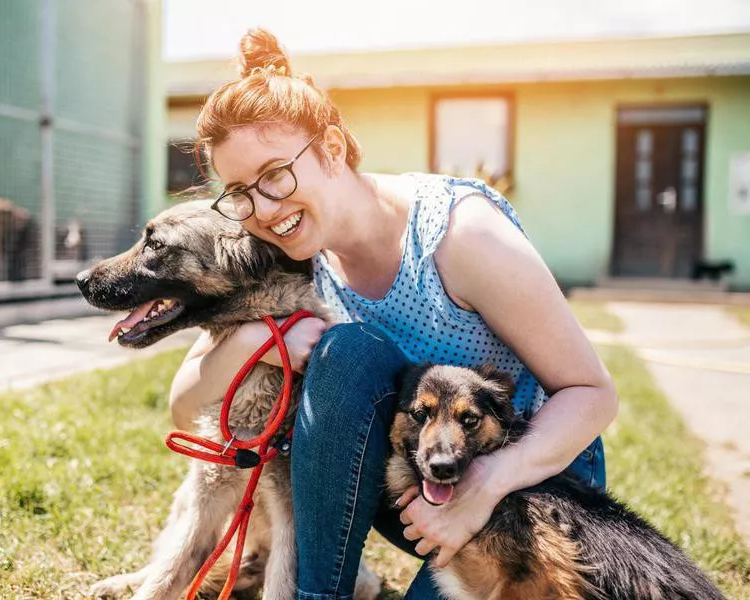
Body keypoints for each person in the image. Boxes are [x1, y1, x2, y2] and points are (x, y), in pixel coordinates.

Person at [169, 28, 618, 600]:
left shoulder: (461, 235)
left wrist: (483, 487)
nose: (262, 208)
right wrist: (254, 338)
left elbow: (592, 392)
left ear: (331, 149)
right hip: (420, 487)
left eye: (275, 175)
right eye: (239, 192)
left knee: (346, 347)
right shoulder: (295, 254)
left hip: (530, 486)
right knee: (348, 353)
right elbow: (184, 405)